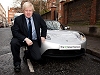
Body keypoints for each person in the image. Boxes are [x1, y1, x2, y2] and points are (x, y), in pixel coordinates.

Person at [10, 2, 47, 72]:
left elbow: (44, 26)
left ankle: (27, 54)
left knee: (37, 58)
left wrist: (43, 36)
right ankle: (17, 64)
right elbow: (15, 32)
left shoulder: (37, 17)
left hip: (33, 40)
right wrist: (25, 39)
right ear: (23, 11)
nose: (28, 12)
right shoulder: (18, 19)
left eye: (30, 10)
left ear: (33, 11)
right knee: (14, 42)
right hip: (22, 39)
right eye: (26, 10)